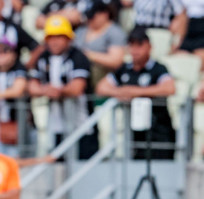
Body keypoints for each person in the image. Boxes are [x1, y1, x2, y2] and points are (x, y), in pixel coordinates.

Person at [96, 27, 177, 159]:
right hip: (134, 131)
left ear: (149, 47)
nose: (135, 50)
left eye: (139, 45)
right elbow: (101, 87)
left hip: (159, 129)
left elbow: (169, 88)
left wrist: (137, 92)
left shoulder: (158, 68)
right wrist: (120, 92)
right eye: (131, 45)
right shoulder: (124, 69)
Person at [28, 15, 98, 159]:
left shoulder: (78, 56)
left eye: (59, 37)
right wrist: (45, 90)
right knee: (57, 166)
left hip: (81, 124)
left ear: (68, 39)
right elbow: (32, 86)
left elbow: (77, 87)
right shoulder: (43, 58)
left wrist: (58, 91)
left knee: (82, 164)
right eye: (51, 37)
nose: (55, 42)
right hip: (55, 125)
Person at [73, 0, 126, 83]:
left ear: (105, 14)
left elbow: (116, 61)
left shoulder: (114, 32)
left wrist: (88, 55)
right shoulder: (81, 30)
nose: (89, 20)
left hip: (101, 72)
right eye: (88, 17)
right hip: (78, 70)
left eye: (92, 17)